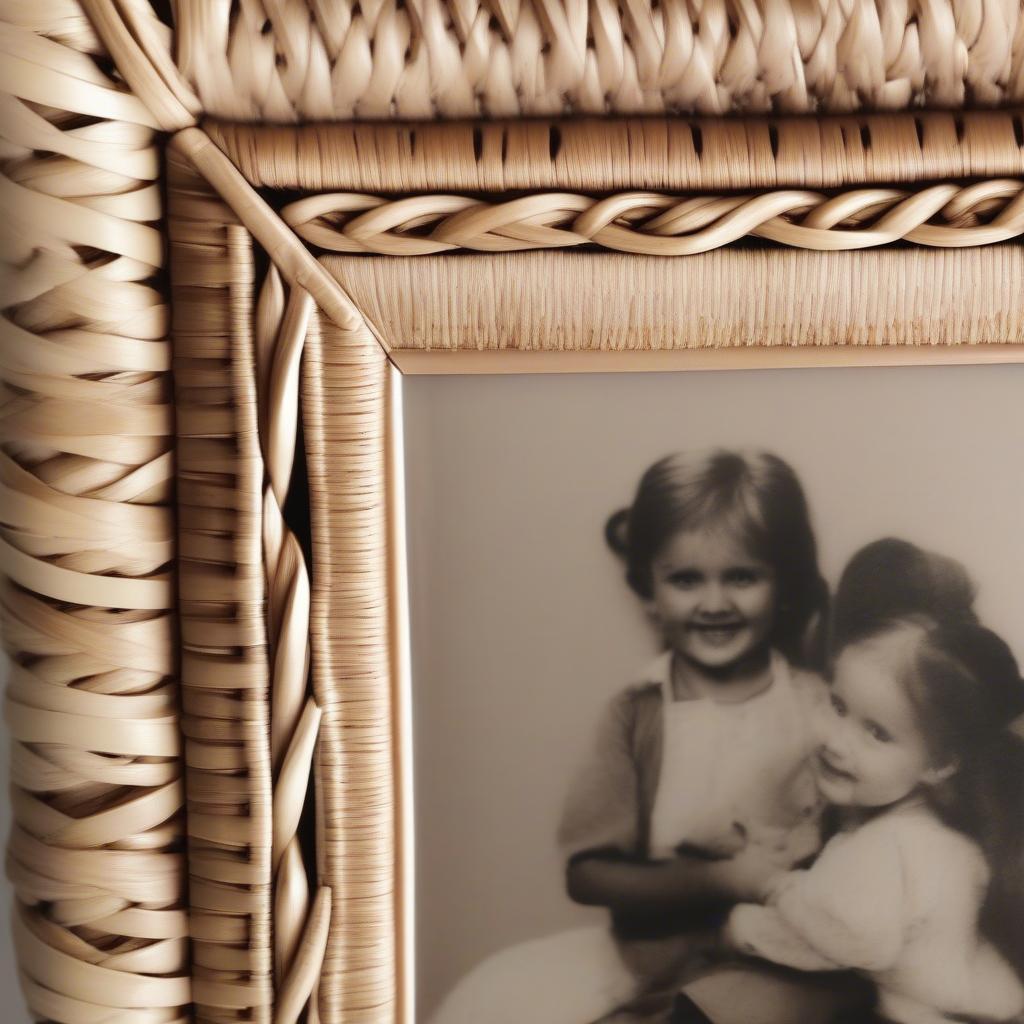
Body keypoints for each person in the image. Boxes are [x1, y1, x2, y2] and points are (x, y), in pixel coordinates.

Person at [432, 449, 849, 1024]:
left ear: (781, 582)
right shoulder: (636, 714)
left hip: (778, 959)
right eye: (685, 579)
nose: (715, 603)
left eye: (743, 576)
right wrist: (722, 877)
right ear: (649, 589)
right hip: (659, 964)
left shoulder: (817, 705)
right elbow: (588, 873)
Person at [726, 542, 1024, 1024]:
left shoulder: (891, 845)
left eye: (877, 732)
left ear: (939, 764)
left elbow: (840, 937)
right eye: (838, 706)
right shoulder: (932, 831)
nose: (838, 742)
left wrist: (761, 902)